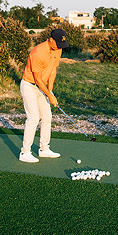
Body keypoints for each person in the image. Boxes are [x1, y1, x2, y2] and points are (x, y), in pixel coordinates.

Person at [19, 28, 70, 163]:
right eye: (58, 43)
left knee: (47, 117)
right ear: (51, 40)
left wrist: (50, 91)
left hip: (42, 87)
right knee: (34, 118)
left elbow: (53, 70)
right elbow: (37, 80)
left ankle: (44, 149)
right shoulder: (38, 53)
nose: (60, 47)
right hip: (29, 86)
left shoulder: (58, 49)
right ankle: (25, 152)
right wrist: (48, 95)